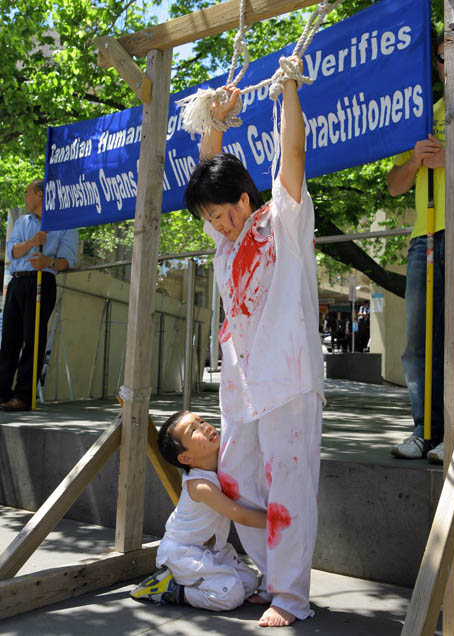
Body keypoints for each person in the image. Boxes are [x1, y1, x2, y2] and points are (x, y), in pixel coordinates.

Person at [184, 56, 324, 627]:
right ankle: (271, 576)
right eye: (210, 218)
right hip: (241, 384)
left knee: (290, 482)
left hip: (289, 377)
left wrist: (289, 90)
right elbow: (209, 170)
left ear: (245, 199)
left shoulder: (280, 221)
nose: (217, 225)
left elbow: (294, 157)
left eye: (222, 213)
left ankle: (290, 596)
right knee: (238, 478)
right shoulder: (225, 244)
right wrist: (217, 120)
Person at [130, 410, 264, 611]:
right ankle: (171, 589)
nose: (205, 427)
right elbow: (239, 515)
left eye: (201, 421)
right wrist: (277, 520)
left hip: (211, 550)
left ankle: (189, 581)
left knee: (250, 582)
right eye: (193, 430)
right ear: (185, 458)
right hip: (184, 553)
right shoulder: (200, 485)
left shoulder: (221, 465)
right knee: (231, 597)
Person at [387, 31, 445, 464]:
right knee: (418, 346)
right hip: (423, 239)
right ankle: (426, 431)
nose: (446, 64)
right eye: (440, 57)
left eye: (453, 55)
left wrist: (453, 157)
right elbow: (394, 185)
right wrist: (415, 161)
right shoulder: (425, 114)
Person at [0, 180, 78, 411]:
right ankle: (2, 391)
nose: (25, 198)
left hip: (41, 282)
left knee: (33, 339)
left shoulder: (65, 224)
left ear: (40, 195)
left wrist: (48, 262)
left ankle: (24, 395)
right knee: (9, 340)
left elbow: (68, 261)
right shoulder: (22, 222)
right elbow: (13, 252)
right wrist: (33, 242)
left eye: (28, 193)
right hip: (17, 282)